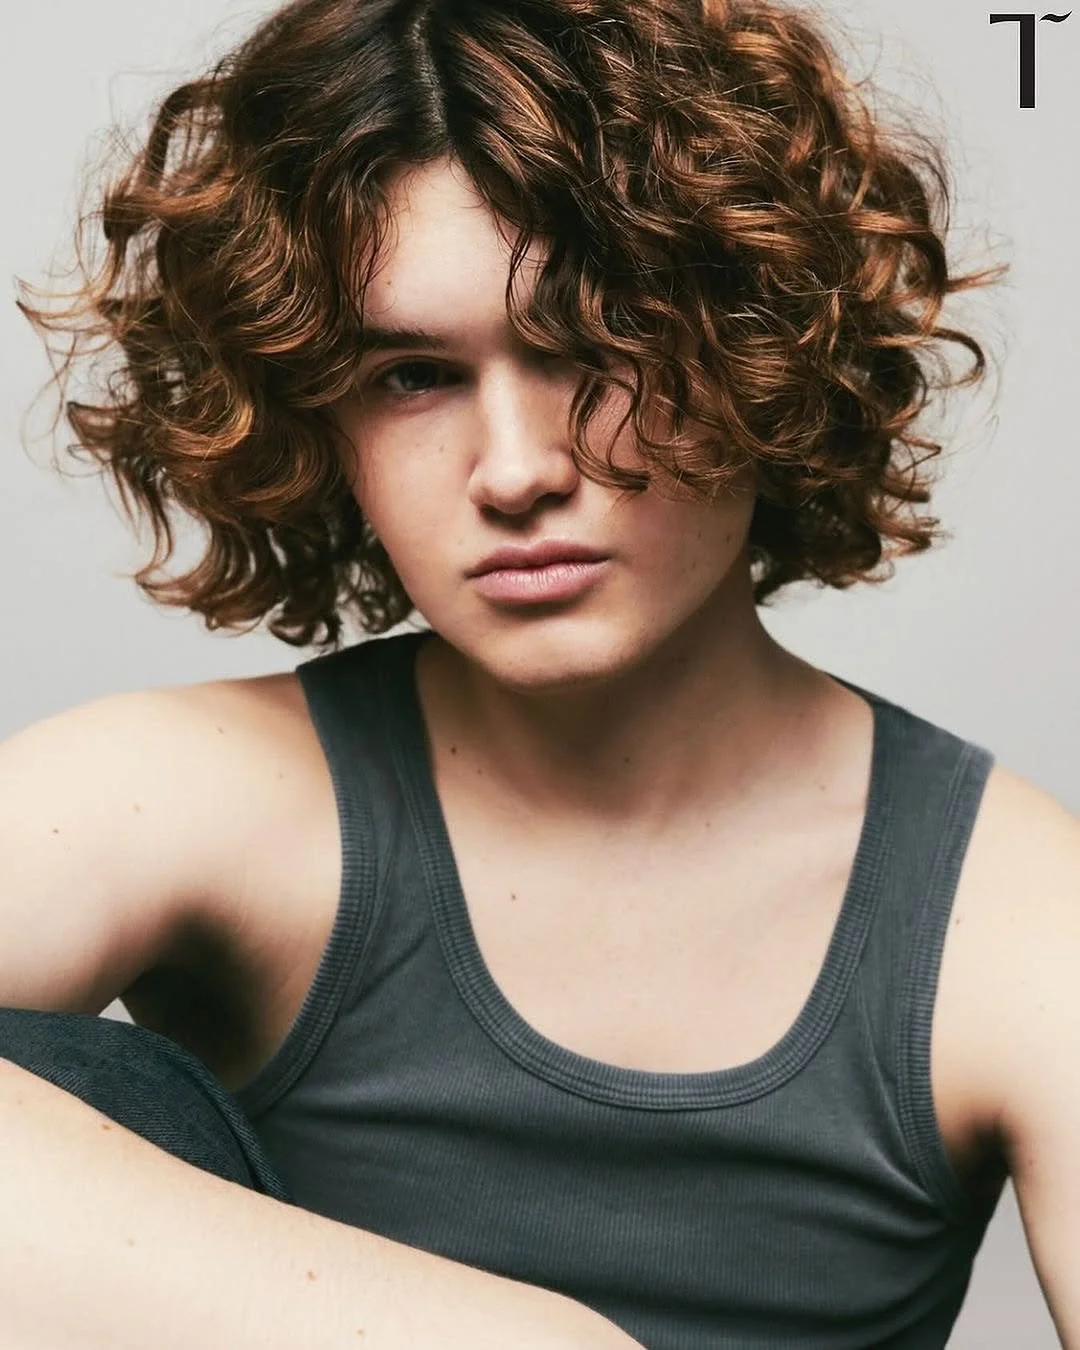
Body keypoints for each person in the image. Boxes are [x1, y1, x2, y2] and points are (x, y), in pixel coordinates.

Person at [5, 0, 1078, 1346]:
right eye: (410, 374)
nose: (513, 470)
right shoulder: (190, 794)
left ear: (761, 342)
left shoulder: (1019, 915)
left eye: (588, 344)